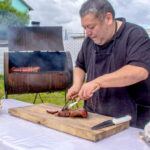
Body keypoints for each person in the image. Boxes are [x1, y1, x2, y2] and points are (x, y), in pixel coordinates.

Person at [66, 0, 150, 129]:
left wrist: (97, 82)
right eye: (85, 28)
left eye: (91, 27)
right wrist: (77, 85)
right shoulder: (89, 41)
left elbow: (139, 71)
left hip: (131, 120)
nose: (87, 33)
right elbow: (80, 65)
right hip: (95, 116)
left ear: (108, 18)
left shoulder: (135, 35)